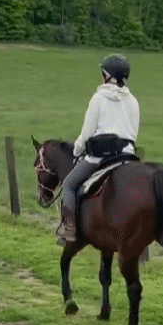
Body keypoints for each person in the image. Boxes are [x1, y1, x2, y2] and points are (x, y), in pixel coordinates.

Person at [56, 54, 140, 245]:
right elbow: (133, 133)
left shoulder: (98, 99)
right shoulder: (133, 101)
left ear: (108, 76)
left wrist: (77, 150)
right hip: (127, 156)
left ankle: (69, 229)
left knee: (69, 185)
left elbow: (86, 134)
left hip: (99, 158)